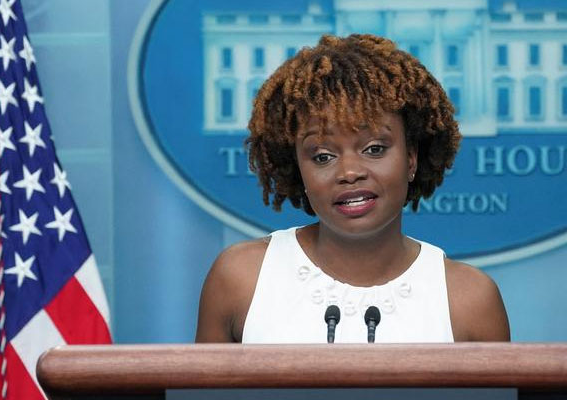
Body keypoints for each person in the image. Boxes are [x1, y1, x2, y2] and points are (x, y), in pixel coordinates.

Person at [196, 34, 509, 343]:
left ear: (411, 158)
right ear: (297, 168)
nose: (349, 172)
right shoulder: (240, 278)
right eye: (323, 156)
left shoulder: (470, 302)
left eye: (374, 149)